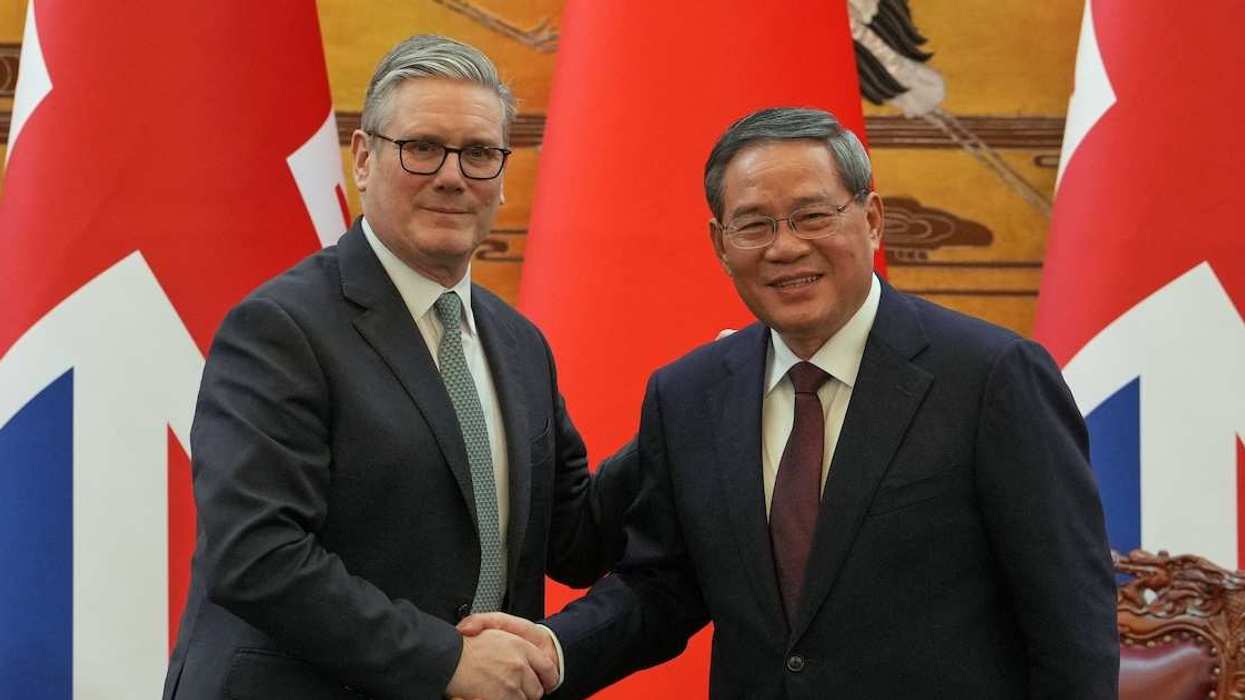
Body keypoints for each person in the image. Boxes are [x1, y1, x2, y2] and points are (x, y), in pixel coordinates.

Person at [461, 107, 1120, 698]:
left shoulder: (990, 377)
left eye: (811, 215)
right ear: (721, 245)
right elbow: (663, 584)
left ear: (870, 218)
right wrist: (550, 651)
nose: (784, 247)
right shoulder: (689, 394)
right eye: (754, 224)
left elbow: (1071, 624)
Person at [163, 35, 637, 700]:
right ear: (363, 158)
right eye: (421, 147)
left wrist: (687, 411)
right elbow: (253, 553)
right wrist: (445, 661)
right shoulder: (280, 328)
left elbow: (576, 542)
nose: (451, 176)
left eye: (478, 154)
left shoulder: (520, 343)